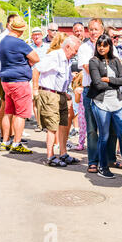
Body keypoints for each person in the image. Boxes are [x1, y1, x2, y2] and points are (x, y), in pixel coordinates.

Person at [87, 34, 122, 180]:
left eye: (105, 45)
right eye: (99, 45)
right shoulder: (93, 61)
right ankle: (103, 167)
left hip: (116, 102)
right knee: (104, 136)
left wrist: (108, 79)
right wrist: (114, 82)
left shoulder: (115, 61)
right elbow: (97, 83)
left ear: (110, 46)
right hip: (101, 103)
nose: (101, 48)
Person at [78, 18, 121, 173]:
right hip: (91, 90)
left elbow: (117, 68)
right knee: (92, 128)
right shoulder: (84, 48)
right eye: (90, 29)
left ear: (102, 30)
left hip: (109, 91)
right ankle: (93, 161)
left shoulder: (111, 47)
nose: (93, 32)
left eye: (96, 29)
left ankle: (110, 159)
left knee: (111, 127)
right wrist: (104, 77)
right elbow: (87, 67)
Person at [32, 36, 82, 166]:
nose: (76, 53)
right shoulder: (55, 56)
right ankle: (50, 156)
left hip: (60, 94)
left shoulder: (67, 59)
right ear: (67, 47)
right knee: (52, 126)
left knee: (64, 124)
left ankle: (63, 153)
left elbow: (60, 78)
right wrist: (35, 89)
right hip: (50, 93)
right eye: (75, 50)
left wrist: (65, 93)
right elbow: (37, 69)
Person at [0, 16, 40, 154]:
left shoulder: (3, 41)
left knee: (8, 111)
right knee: (21, 114)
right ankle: (17, 143)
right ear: (21, 31)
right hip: (19, 81)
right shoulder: (19, 43)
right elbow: (36, 58)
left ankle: (5, 141)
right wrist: (27, 63)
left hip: (6, 79)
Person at [0, 14, 17, 142]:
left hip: (5, 72)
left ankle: (10, 135)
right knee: (5, 104)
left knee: (8, 104)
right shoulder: (3, 38)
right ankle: (4, 136)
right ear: (8, 24)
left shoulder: (8, 37)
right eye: (13, 23)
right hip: (3, 72)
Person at [30, 27, 50, 132]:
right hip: (33, 77)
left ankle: (46, 123)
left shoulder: (48, 47)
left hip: (46, 76)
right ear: (32, 37)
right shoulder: (29, 47)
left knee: (46, 100)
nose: (36, 36)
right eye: (34, 35)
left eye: (38, 34)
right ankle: (39, 123)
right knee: (35, 100)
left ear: (42, 36)